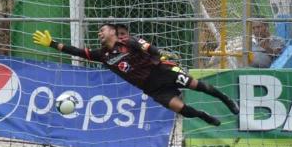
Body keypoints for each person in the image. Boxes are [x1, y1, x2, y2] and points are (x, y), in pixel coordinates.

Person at [33, 23, 239, 126]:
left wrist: (159, 60)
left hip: (163, 72)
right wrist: (52, 44)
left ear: (113, 32)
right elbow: (78, 52)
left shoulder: (130, 42)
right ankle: (203, 116)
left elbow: (152, 49)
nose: (99, 34)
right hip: (151, 88)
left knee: (198, 86)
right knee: (181, 108)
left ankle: (225, 99)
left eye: (102, 30)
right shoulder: (102, 55)